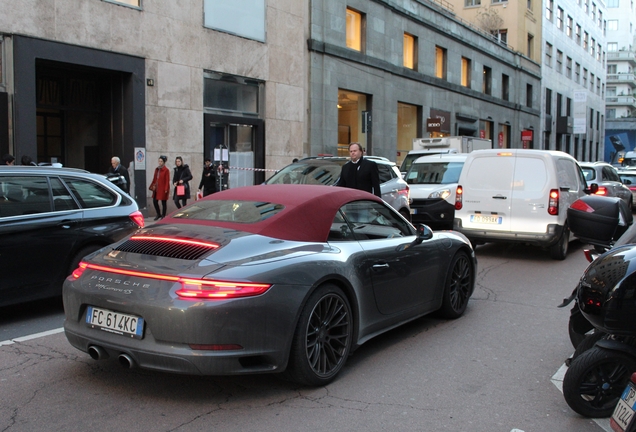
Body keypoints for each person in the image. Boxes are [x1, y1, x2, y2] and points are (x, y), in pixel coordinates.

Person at [149, 155, 170, 220]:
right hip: (157, 188)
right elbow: (154, 178)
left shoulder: (166, 170)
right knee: (155, 201)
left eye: (161, 161)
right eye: (159, 161)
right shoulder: (157, 169)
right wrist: (152, 185)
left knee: (163, 202)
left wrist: (166, 188)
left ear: (164, 162)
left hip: (163, 187)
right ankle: (158, 214)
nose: (160, 162)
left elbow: (167, 180)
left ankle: (163, 215)